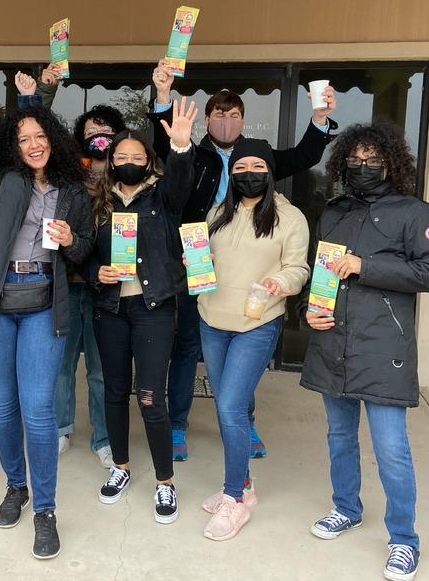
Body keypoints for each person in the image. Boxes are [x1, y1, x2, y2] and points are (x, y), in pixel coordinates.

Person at [0, 32, 94, 560]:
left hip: (41, 303)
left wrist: (74, 241)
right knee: (2, 407)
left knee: (36, 410)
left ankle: (46, 509)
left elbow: (86, 252)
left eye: (40, 135)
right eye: (24, 136)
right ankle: (16, 486)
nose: (33, 143)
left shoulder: (73, 191)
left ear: (53, 138)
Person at [150, 61, 337, 461]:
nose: (227, 121)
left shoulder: (258, 156)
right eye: (220, 114)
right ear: (208, 119)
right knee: (186, 348)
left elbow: (304, 155)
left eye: (234, 115)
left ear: (243, 120)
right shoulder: (192, 155)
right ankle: (178, 424)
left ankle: (243, 421)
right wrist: (163, 97)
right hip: (197, 261)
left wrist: (319, 118)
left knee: (243, 354)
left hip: (249, 268)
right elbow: (164, 142)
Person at [298, 122, 429, 581]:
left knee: (391, 450)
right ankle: (347, 508)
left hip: (384, 346)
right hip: (332, 339)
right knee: (339, 437)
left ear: (391, 163)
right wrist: (310, 309)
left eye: (372, 159)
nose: (362, 167)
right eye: (354, 160)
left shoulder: (413, 211)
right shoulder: (334, 211)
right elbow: (322, 270)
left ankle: (404, 540)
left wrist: (367, 266)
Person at [83, 100, 197, 524]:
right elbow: (84, 255)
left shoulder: (162, 197)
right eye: (121, 156)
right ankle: (122, 468)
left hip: (152, 308)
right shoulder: (99, 201)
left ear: (149, 160)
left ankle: (165, 482)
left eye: (137, 156)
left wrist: (181, 147)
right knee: (114, 391)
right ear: (110, 161)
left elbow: (182, 182)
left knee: (151, 397)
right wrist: (99, 272)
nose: (129, 162)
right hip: (110, 309)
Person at [195, 138, 310, 541]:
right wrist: (192, 263)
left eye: (256, 166)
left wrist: (278, 281)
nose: (248, 173)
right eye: (240, 167)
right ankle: (243, 485)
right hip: (212, 318)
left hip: (256, 323)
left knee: (229, 407)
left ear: (269, 171)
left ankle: (234, 500)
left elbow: (299, 268)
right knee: (233, 408)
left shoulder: (289, 217)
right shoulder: (216, 213)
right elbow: (204, 262)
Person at [46, 102, 126, 465]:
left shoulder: (124, 175)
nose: (99, 138)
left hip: (105, 285)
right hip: (66, 282)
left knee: (100, 368)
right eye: (92, 131)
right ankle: (60, 428)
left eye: (107, 132)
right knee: (62, 366)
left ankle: (104, 438)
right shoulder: (66, 175)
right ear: (81, 136)